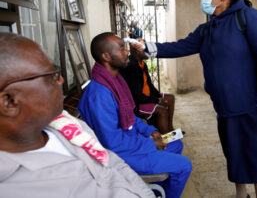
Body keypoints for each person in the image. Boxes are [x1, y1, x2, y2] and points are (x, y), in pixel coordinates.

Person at [135, 0, 257, 198]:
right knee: (234, 155)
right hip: (225, 108)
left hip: (254, 107)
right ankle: (241, 195)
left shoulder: (249, 18)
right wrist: (147, 47)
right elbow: (181, 46)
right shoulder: (208, 28)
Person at [0, 32, 154, 198]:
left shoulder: (68, 125)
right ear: (9, 101)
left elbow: (115, 164)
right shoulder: (17, 187)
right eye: (49, 76)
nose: (61, 81)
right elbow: (115, 146)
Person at [78, 32, 192, 198]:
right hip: (122, 154)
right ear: (106, 56)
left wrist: (149, 131)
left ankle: (152, 192)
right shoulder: (100, 95)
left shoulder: (114, 80)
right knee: (184, 166)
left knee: (176, 144)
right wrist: (150, 144)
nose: (127, 53)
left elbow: (129, 117)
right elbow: (114, 144)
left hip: (132, 143)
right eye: (122, 49)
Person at [120, 45, 175, 134]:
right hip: (137, 103)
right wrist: (157, 101)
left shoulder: (142, 64)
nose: (149, 53)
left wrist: (158, 96)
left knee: (170, 98)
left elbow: (149, 84)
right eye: (145, 50)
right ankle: (166, 139)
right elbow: (136, 95)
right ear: (137, 51)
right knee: (162, 110)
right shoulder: (131, 65)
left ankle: (169, 127)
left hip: (147, 96)